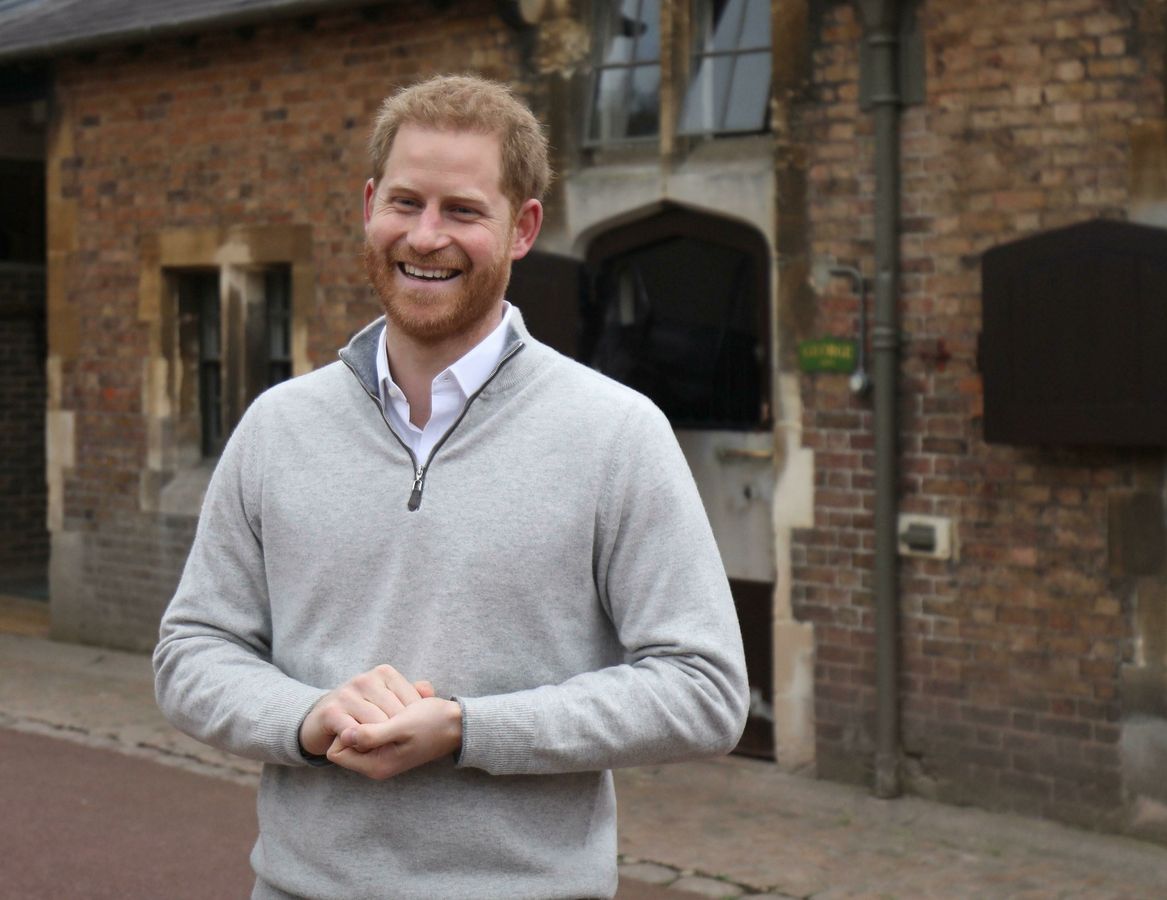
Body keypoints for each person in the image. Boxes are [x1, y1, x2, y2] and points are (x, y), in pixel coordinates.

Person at [153, 74, 748, 899]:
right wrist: (308, 715)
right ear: (369, 206)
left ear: (523, 227)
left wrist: (471, 729)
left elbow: (705, 690)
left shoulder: (616, 433)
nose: (425, 237)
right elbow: (191, 654)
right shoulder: (277, 426)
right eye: (405, 203)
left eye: (463, 211)